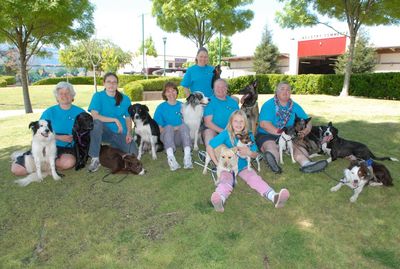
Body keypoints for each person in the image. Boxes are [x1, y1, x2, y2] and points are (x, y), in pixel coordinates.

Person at [207, 110, 290, 212]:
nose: (238, 124)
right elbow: (210, 146)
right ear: (231, 122)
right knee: (226, 180)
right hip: (228, 166)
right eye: (236, 121)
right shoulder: (226, 133)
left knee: (254, 178)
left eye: (241, 121)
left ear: (245, 123)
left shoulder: (249, 135)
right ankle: (220, 199)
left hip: (243, 165)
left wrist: (249, 152)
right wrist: (217, 163)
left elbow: (255, 154)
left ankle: (274, 197)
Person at [11, 81, 85, 176]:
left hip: (68, 148)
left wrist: (76, 137)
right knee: (17, 170)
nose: (64, 95)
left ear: (72, 96)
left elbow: (86, 133)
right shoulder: (49, 112)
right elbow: (39, 133)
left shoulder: (80, 112)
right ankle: (26, 158)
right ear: (57, 97)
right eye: (61, 93)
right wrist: (57, 137)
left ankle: (44, 165)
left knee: (68, 163)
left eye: (67, 93)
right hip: (47, 145)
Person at [256, 81, 328, 174]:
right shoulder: (268, 105)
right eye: (282, 89)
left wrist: (306, 130)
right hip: (267, 134)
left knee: (297, 147)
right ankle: (274, 163)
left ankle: (306, 164)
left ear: (290, 93)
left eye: (288, 90)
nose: (285, 92)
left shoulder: (295, 106)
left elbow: (307, 120)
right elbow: (264, 124)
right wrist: (281, 134)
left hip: (289, 135)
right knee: (271, 146)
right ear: (276, 91)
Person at [87, 72, 137, 172]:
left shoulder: (125, 98)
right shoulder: (98, 96)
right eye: (108, 82)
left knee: (133, 153)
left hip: (120, 132)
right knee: (96, 123)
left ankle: (112, 149)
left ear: (117, 84)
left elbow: (128, 118)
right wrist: (114, 120)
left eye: (114, 82)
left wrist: (128, 132)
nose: (111, 84)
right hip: (104, 132)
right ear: (104, 83)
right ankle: (95, 157)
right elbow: (94, 115)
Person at [154, 81, 192, 171]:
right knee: (169, 127)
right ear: (164, 94)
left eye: (173, 90)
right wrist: (174, 128)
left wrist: (179, 127)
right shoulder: (161, 108)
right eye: (168, 91)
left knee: (184, 126)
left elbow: (188, 124)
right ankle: (171, 158)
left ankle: (187, 157)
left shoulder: (183, 106)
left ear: (177, 92)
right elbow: (158, 129)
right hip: (166, 136)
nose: (171, 93)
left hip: (180, 137)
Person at [203, 78, 239, 147]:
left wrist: (233, 132)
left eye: (223, 87)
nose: (220, 89)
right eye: (218, 87)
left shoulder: (233, 102)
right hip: (215, 131)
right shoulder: (209, 101)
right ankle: (209, 155)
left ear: (227, 88)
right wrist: (224, 132)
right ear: (213, 89)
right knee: (208, 132)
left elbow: (239, 119)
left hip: (231, 131)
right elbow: (208, 123)